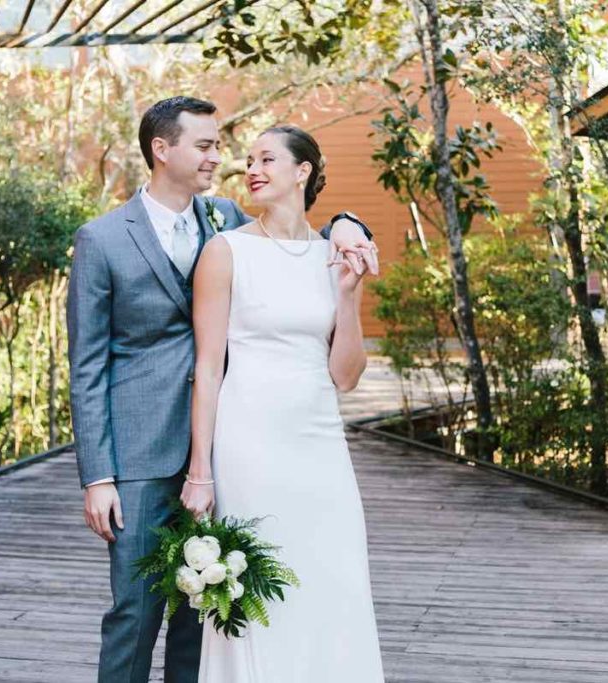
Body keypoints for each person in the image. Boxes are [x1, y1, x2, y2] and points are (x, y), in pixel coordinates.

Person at [66, 97, 378, 683]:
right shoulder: (102, 239)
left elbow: (293, 230)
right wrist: (97, 476)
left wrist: (346, 223)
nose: (221, 157)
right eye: (206, 146)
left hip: (227, 442)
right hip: (140, 451)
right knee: (135, 610)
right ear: (163, 150)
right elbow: (86, 365)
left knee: (206, 611)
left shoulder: (226, 218)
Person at [182, 125, 384, 681]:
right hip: (249, 442)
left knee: (332, 575)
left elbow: (346, 376)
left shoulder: (337, 254)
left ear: (304, 172)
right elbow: (207, 367)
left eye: (268, 159)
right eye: (248, 160)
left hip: (320, 441)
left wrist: (346, 299)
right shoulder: (225, 252)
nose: (252, 169)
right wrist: (200, 471)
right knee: (259, 589)